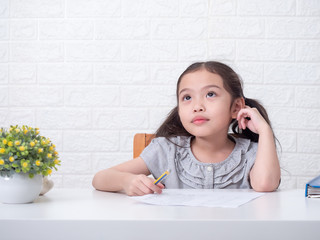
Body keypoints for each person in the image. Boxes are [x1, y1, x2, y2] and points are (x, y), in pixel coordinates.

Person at [92, 61, 281, 196]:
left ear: (236, 107)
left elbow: (265, 184)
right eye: (187, 98)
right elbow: (100, 178)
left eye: (210, 94)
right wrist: (127, 182)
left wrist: (264, 130)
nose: (197, 106)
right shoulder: (166, 150)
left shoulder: (250, 152)